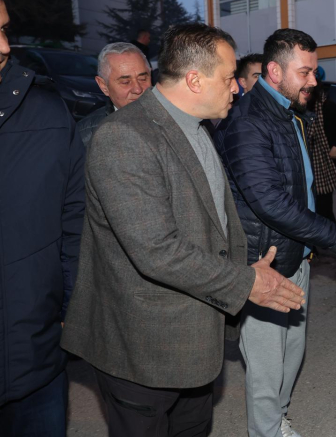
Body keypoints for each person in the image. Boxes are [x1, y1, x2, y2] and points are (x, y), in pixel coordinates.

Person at [61, 23, 306, 437]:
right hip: (144, 348)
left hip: (196, 339)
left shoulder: (197, 125)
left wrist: (244, 267)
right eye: (228, 78)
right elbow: (156, 250)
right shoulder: (123, 136)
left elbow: (212, 220)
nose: (236, 88)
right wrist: (246, 282)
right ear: (194, 80)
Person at [213, 28, 336, 437]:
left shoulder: (291, 111)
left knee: (291, 353)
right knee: (266, 366)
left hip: (296, 253)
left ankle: (277, 421)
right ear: (274, 72)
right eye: (305, 72)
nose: (314, 81)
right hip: (266, 263)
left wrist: (314, 242)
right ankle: (267, 430)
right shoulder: (249, 120)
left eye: (314, 72)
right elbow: (270, 202)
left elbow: (299, 189)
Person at [0, 0, 85, 437]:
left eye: (4, 30)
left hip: (38, 360)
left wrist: (70, 307)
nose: (4, 47)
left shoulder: (50, 114)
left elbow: (75, 224)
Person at [76, 42, 151, 147]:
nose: (138, 89)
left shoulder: (171, 119)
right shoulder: (86, 136)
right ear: (104, 86)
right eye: (125, 82)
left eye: (142, 79)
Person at [307, 81, 336, 224]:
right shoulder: (296, 107)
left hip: (324, 166)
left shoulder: (327, 107)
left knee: (323, 208)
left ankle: (333, 235)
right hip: (305, 164)